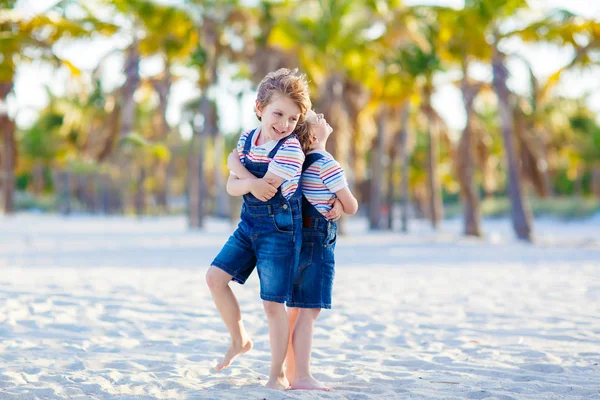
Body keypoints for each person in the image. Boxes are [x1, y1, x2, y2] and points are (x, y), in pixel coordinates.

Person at [228, 109, 358, 391]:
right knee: (309, 312)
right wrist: (339, 203)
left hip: (296, 239)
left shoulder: (301, 162)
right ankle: (301, 375)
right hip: (318, 243)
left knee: (296, 311)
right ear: (315, 135)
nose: (327, 124)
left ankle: (290, 370)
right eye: (323, 124)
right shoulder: (326, 162)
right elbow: (352, 205)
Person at [205, 68, 311, 390]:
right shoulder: (248, 138)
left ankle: (277, 373)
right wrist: (241, 177)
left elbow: (264, 188)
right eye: (278, 113)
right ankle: (239, 339)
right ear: (260, 108)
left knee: (272, 304)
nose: (284, 124)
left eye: (293, 119)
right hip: (249, 225)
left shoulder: (291, 149)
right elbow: (230, 187)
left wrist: (238, 170)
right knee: (215, 278)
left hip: (279, 231)